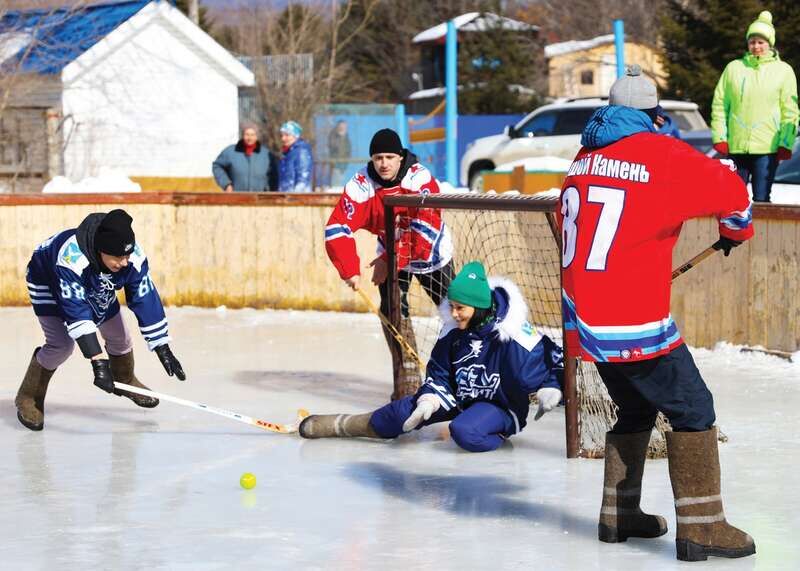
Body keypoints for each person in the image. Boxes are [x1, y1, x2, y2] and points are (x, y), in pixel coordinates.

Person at [560, 65, 755, 561]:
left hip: (585, 322)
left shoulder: (583, 158)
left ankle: (618, 513)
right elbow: (734, 191)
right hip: (632, 321)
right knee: (694, 409)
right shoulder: (661, 153)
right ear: (654, 115)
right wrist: (735, 231)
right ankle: (703, 529)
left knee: (636, 407)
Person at [299, 262, 564, 452]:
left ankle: (498, 434)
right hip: (459, 397)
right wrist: (429, 400)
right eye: (452, 306)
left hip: (499, 406)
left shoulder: (514, 335)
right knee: (402, 412)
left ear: (480, 306)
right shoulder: (453, 330)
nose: (454, 313)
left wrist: (552, 388)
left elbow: (556, 361)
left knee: (464, 431)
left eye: (460, 308)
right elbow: (439, 373)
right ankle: (345, 424)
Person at [16, 209, 186, 431]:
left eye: (127, 256)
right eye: (118, 257)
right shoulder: (70, 259)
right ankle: (29, 396)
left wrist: (162, 345)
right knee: (61, 345)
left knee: (120, 337)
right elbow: (77, 312)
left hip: (95, 277)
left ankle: (125, 380)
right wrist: (98, 362)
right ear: (100, 250)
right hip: (47, 278)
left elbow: (144, 297)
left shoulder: (131, 257)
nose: (124, 262)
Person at [324, 128, 454, 398]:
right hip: (392, 251)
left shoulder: (419, 177)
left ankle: (464, 374)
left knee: (456, 313)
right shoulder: (361, 184)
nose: (383, 164)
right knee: (393, 313)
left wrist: (387, 260)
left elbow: (424, 232)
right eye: (378, 158)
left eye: (389, 157)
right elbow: (337, 227)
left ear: (400, 157)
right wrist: (349, 268)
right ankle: (408, 382)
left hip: (431, 254)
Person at [711, 10, 799, 203]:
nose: (756, 46)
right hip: (736, 146)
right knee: (733, 200)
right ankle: (733, 225)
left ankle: (760, 224)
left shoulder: (784, 71)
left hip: (767, 148)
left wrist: (786, 143)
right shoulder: (734, 68)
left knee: (761, 199)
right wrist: (720, 137)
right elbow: (720, 104)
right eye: (752, 42)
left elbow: (790, 110)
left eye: (761, 42)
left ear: (770, 44)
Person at [212, 124, 278, 192]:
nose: (250, 138)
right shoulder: (230, 151)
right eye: (247, 134)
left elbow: (274, 175)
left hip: (260, 196)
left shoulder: (266, 154)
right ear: (242, 135)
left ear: (257, 136)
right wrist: (226, 184)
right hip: (237, 196)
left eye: (252, 135)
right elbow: (217, 166)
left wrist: (271, 191)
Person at [278, 120, 313, 193]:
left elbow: (303, 179)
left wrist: (296, 197)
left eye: (287, 135)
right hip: (286, 195)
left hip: (295, 197)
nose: (283, 138)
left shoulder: (301, 152)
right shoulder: (288, 153)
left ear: (295, 136)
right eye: (282, 135)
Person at [328, 119, 352, 187]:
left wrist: (347, 160)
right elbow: (333, 148)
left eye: (345, 126)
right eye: (341, 126)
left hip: (344, 164)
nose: (343, 128)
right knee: (336, 183)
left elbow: (348, 150)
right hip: (336, 164)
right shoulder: (333, 136)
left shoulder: (346, 136)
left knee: (341, 181)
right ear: (338, 126)